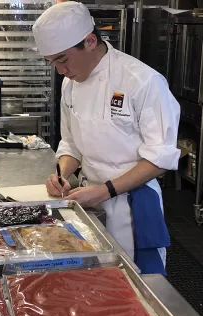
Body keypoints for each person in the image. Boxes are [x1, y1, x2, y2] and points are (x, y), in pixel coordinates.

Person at [33, 2, 180, 274]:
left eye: (63, 59)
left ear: (90, 41)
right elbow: (71, 144)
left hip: (133, 206)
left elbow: (160, 158)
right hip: (88, 202)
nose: (60, 71)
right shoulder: (71, 84)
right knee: (97, 281)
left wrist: (104, 191)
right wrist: (63, 173)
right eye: (52, 62)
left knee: (139, 288)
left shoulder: (143, 81)